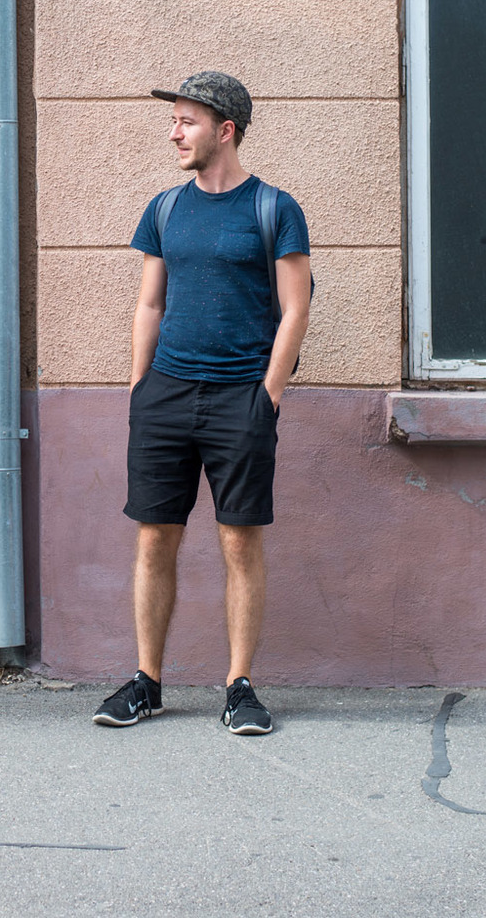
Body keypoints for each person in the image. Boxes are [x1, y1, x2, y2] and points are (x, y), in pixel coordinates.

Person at [92, 71, 310, 736]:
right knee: (155, 536)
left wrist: (268, 396)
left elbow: (296, 308)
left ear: (226, 129)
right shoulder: (165, 209)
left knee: (239, 541)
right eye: (175, 120)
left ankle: (239, 687)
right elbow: (150, 302)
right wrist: (140, 386)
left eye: (187, 121)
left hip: (241, 398)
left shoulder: (275, 209)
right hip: (166, 395)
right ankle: (147, 682)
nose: (175, 133)